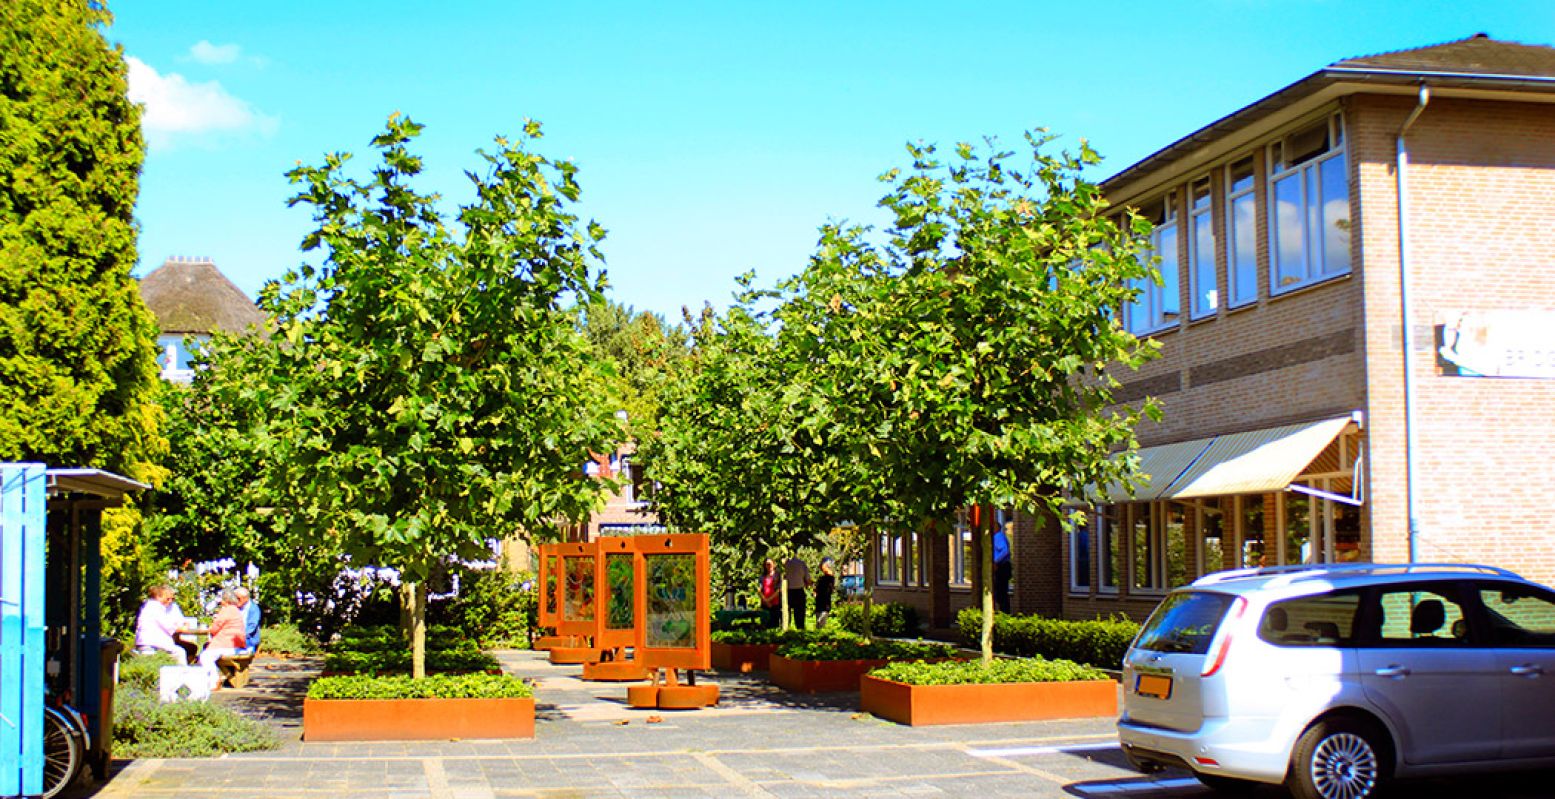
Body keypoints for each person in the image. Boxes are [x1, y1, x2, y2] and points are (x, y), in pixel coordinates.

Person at [199, 590, 248, 689]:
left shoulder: (226, 610)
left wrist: (210, 628)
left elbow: (214, 629)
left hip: (226, 644)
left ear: (226, 600)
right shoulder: (236, 611)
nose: (220, 602)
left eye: (221, 600)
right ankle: (213, 680)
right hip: (237, 645)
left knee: (205, 656)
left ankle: (214, 681)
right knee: (208, 653)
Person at [134, 585, 191, 664]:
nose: (170, 601)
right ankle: (182, 674)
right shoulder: (155, 608)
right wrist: (182, 628)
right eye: (167, 598)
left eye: (172, 599)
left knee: (180, 650)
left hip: (147, 642)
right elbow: (169, 626)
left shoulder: (149, 606)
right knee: (180, 652)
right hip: (152, 643)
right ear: (158, 597)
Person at [783, 555, 811, 629]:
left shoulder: (785, 564)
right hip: (799, 590)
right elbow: (808, 579)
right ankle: (800, 629)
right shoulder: (802, 563)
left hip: (787, 590)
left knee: (786, 612)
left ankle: (786, 628)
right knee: (800, 613)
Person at [992, 516, 1012, 614]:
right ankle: (1003, 612)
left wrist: (995, 561)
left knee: (1001, 591)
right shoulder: (999, 536)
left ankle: (1004, 612)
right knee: (1001, 591)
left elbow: (1004, 551)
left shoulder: (997, 537)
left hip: (1002, 567)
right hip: (1003, 566)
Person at [235, 587, 262, 653]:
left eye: (238, 599)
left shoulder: (253, 609)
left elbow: (251, 627)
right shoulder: (235, 608)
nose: (235, 601)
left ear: (246, 598)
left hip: (249, 640)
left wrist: (239, 636)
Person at [758, 559, 781, 628]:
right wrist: (765, 600)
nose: (768, 566)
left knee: (774, 624)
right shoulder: (762, 576)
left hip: (775, 603)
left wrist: (769, 600)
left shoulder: (778, 576)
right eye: (766, 564)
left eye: (770, 564)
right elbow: (759, 590)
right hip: (764, 603)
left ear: (774, 565)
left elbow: (778, 590)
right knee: (765, 624)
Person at [814, 557, 836, 627]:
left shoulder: (828, 579)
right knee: (819, 622)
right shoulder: (823, 578)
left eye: (822, 564)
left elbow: (828, 590)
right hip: (820, 603)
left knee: (821, 623)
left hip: (824, 604)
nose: (820, 567)